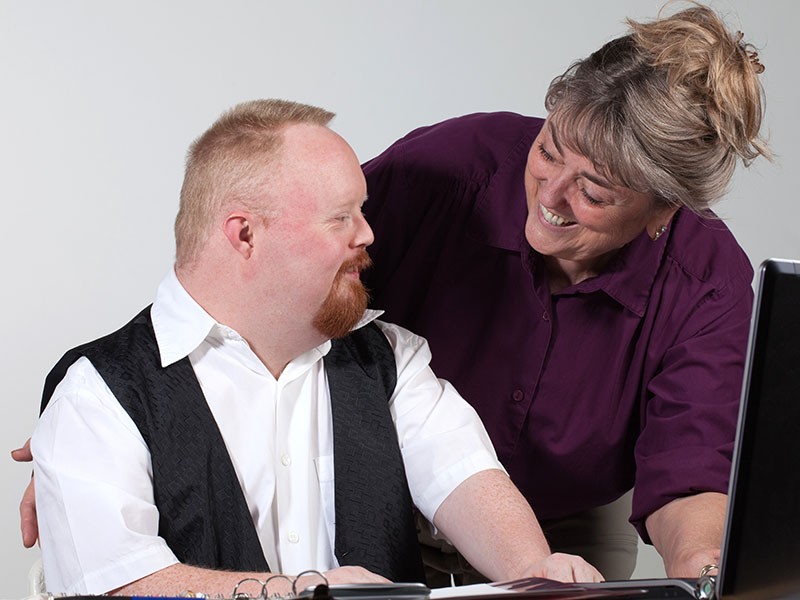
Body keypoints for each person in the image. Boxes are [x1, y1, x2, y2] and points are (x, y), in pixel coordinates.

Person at [22, 99, 601, 595]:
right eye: (340, 218)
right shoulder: (96, 391)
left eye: (363, 211)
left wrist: (532, 571)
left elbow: (466, 478)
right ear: (244, 234)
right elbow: (117, 585)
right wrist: (295, 594)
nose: (368, 234)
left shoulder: (390, 360)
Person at [359, 3, 768, 583]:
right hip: (375, 495)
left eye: (593, 193)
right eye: (548, 151)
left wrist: (703, 568)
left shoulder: (706, 281)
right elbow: (305, 271)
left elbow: (691, 468)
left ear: (664, 207)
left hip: (562, 521)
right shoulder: (448, 171)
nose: (549, 196)